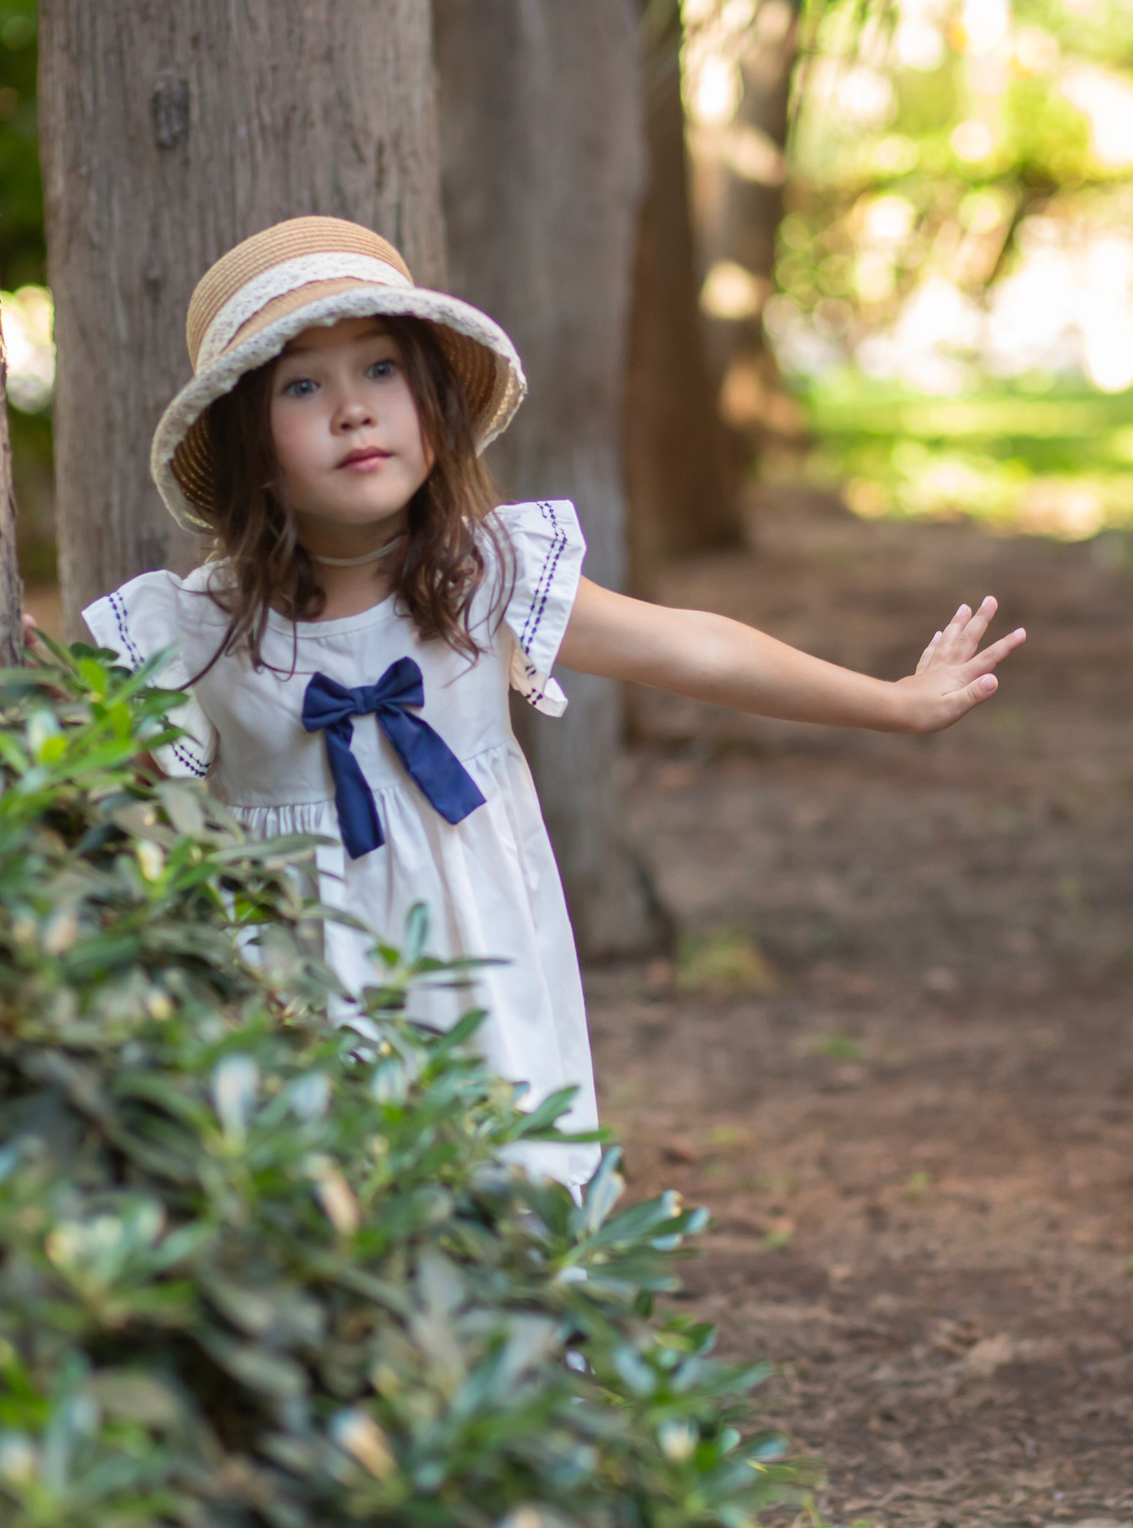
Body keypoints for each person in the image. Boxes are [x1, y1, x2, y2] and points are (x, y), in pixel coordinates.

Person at [85, 217, 1025, 1188]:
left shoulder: (482, 575)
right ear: (250, 444)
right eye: (301, 386)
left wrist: (892, 700)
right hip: (294, 992)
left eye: (379, 372)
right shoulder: (198, 631)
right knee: (324, 1215)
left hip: (482, 976)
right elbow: (112, 802)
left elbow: (690, 646)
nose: (352, 411)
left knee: (510, 1185)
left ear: (431, 405)